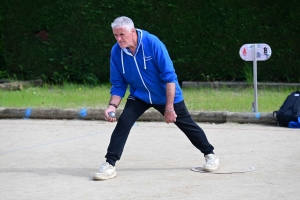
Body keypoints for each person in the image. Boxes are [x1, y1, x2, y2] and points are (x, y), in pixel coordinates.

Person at [93, 16, 220, 181]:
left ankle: (210, 154)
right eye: (115, 35)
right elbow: (118, 84)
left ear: (132, 31)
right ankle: (109, 164)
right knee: (123, 124)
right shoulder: (116, 52)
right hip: (140, 95)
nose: (118, 39)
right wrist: (112, 106)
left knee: (187, 125)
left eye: (122, 35)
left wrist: (169, 108)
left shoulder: (153, 43)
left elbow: (170, 77)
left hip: (165, 95)